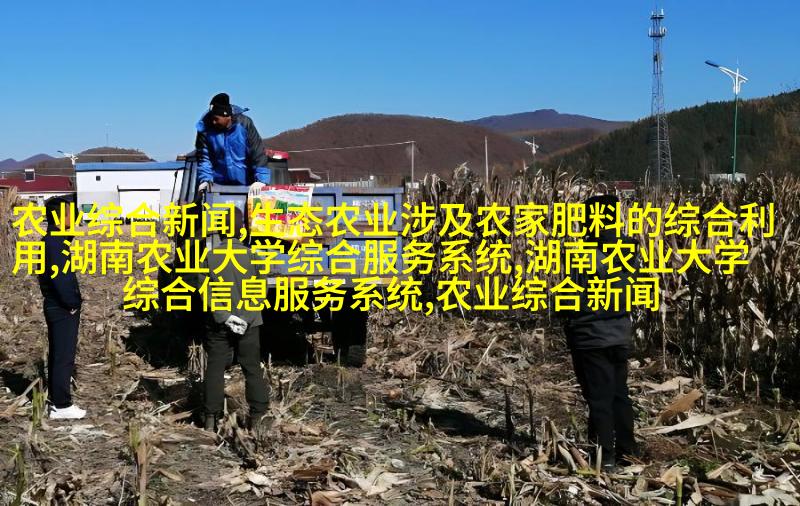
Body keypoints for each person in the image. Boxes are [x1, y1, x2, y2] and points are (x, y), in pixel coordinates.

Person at [562, 194, 639, 472]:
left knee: (599, 399)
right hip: (620, 334)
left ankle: (604, 458)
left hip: (591, 337)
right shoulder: (628, 251)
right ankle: (628, 452)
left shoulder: (581, 254)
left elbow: (571, 297)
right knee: (619, 394)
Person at [200, 209, 269, 433]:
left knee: (215, 367)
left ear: (221, 231)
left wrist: (225, 317)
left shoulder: (209, 257)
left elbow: (205, 292)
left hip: (219, 324)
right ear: (242, 231)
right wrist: (245, 318)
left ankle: (210, 419)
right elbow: (260, 291)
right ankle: (257, 418)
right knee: (252, 368)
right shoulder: (253, 257)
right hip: (250, 324)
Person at [38, 195, 85, 420]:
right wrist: (72, 304)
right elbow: (61, 279)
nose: (74, 217)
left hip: (57, 305)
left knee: (59, 354)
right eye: (69, 213)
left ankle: (57, 400)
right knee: (63, 355)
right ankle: (62, 405)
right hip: (62, 308)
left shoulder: (54, 240)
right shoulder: (55, 243)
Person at [194, 92, 288, 195]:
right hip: (218, 188)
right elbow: (204, 158)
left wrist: (261, 180)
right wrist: (205, 179)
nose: (213, 122)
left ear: (227, 116)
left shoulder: (245, 125)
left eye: (216, 119)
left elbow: (257, 153)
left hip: (247, 187)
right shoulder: (205, 129)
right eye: (212, 118)